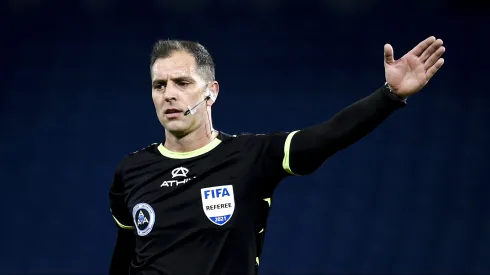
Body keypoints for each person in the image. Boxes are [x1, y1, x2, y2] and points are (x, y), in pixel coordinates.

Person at [108, 37, 445, 275]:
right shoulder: (132, 171)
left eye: (182, 82)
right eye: (159, 85)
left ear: (211, 91)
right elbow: (126, 257)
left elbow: (327, 136)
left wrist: (388, 97)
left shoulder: (250, 157)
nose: (169, 94)